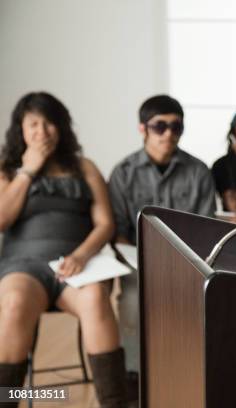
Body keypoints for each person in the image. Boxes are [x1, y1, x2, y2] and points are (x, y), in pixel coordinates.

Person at [0, 92, 126, 407]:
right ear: (21, 129)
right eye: (33, 124)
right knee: (14, 302)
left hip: (78, 265)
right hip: (23, 266)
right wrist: (28, 170)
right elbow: (2, 219)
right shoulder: (8, 169)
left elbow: (105, 224)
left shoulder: (84, 167)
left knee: (97, 297)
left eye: (49, 122)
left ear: (62, 126)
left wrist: (82, 255)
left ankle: (113, 402)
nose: (42, 131)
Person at [108, 94, 216, 395]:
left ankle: (188, 374)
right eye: (160, 126)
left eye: (176, 127)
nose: (169, 133)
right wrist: (143, 263)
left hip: (189, 263)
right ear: (142, 128)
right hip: (138, 263)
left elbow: (206, 228)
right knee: (132, 302)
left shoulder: (198, 172)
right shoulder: (123, 173)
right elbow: (118, 231)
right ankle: (133, 377)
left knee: (204, 302)